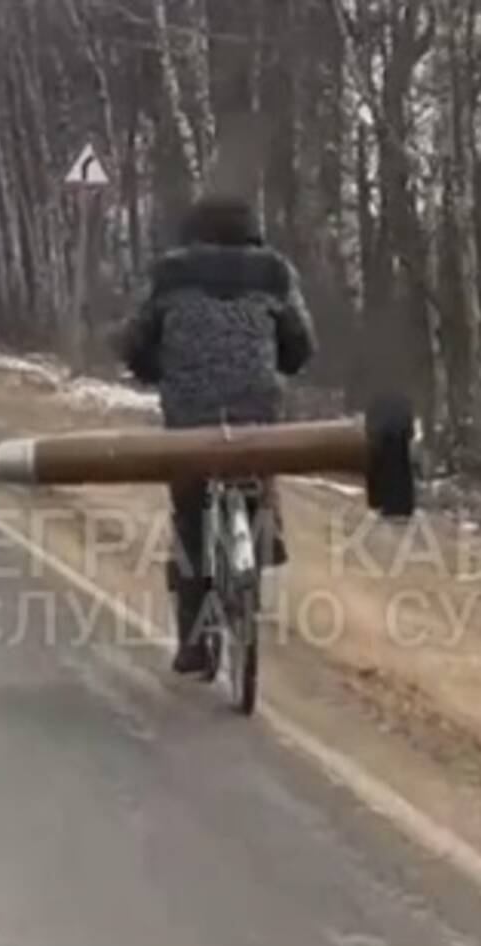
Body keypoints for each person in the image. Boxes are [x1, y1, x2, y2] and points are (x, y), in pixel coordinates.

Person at [116, 194, 318, 673]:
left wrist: (151, 369)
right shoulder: (274, 271)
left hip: (189, 416)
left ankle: (193, 641)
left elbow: (135, 339)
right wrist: (280, 362)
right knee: (257, 477)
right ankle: (261, 546)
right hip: (255, 410)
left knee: (190, 515)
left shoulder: (170, 273)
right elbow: (302, 344)